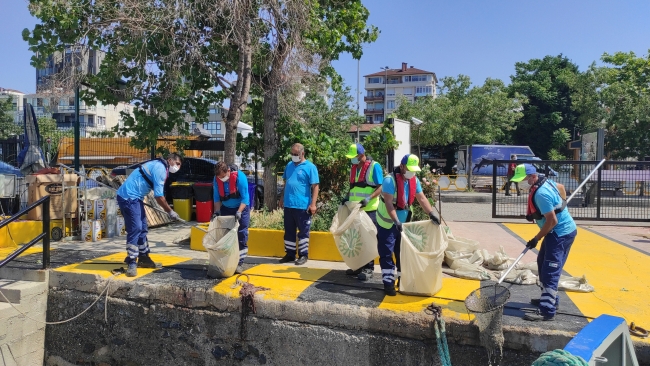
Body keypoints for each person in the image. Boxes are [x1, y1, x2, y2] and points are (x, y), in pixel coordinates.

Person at [510, 164, 577, 321]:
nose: (521, 183)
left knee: (550, 270)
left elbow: (552, 220)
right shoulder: (544, 182)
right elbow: (560, 187)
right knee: (542, 263)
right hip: (556, 232)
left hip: (560, 233)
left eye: (523, 180)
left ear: (533, 176)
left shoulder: (541, 193)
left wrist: (536, 238)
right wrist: (561, 203)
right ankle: (550, 299)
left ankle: (547, 310)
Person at [376, 154, 440, 296]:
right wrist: (396, 221)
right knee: (386, 253)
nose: (412, 172)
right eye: (409, 169)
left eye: (414, 170)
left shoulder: (414, 180)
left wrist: (431, 213)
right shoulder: (389, 180)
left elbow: (421, 198)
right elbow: (388, 203)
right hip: (387, 223)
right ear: (402, 166)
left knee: (402, 253)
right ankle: (388, 283)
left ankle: (402, 280)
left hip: (404, 223)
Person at [116, 153, 182, 277]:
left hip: (135, 198)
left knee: (143, 228)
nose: (177, 167)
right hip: (128, 197)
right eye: (177, 163)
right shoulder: (160, 169)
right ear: (170, 160)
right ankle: (131, 262)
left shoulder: (159, 166)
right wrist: (170, 211)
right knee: (136, 228)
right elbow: (159, 196)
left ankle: (144, 258)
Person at [342, 143, 384, 281]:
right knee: (358, 239)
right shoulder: (354, 167)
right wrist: (347, 197)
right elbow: (353, 187)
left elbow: (380, 187)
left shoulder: (374, 166)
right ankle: (359, 266)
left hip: (369, 209)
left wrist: (368, 199)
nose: (352, 159)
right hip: (355, 209)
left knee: (368, 239)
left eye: (354, 157)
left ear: (361, 155)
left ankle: (368, 268)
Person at [278, 143, 319, 266]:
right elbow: (286, 183)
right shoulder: (289, 165)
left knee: (303, 231)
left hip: (302, 206)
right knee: (289, 231)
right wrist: (281, 198)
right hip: (289, 205)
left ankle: (303, 255)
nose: (294, 156)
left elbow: (315, 186)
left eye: (296, 154)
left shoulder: (310, 167)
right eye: (292, 154)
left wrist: (313, 204)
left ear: (302, 153)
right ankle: (290, 254)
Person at [212, 161, 250, 274]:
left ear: (228, 171)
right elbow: (216, 197)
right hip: (226, 208)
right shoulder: (216, 179)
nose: (221, 179)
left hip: (241, 208)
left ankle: (239, 263)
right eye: (219, 177)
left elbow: (245, 198)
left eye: (223, 176)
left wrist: (239, 212)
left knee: (241, 234)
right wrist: (217, 211)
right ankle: (227, 261)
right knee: (225, 235)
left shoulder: (240, 177)